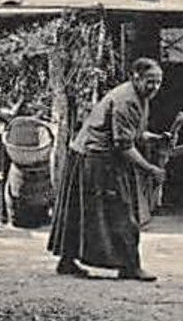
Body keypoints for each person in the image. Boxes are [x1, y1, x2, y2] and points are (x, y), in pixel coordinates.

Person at [48, 59, 167, 282]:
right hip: (94, 159)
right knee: (123, 213)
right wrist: (150, 169)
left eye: (158, 82)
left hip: (94, 155)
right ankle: (130, 267)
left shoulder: (141, 97)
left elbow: (134, 133)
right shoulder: (126, 100)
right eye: (150, 82)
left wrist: (156, 138)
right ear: (136, 77)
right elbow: (124, 146)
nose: (154, 87)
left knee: (84, 211)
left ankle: (67, 261)